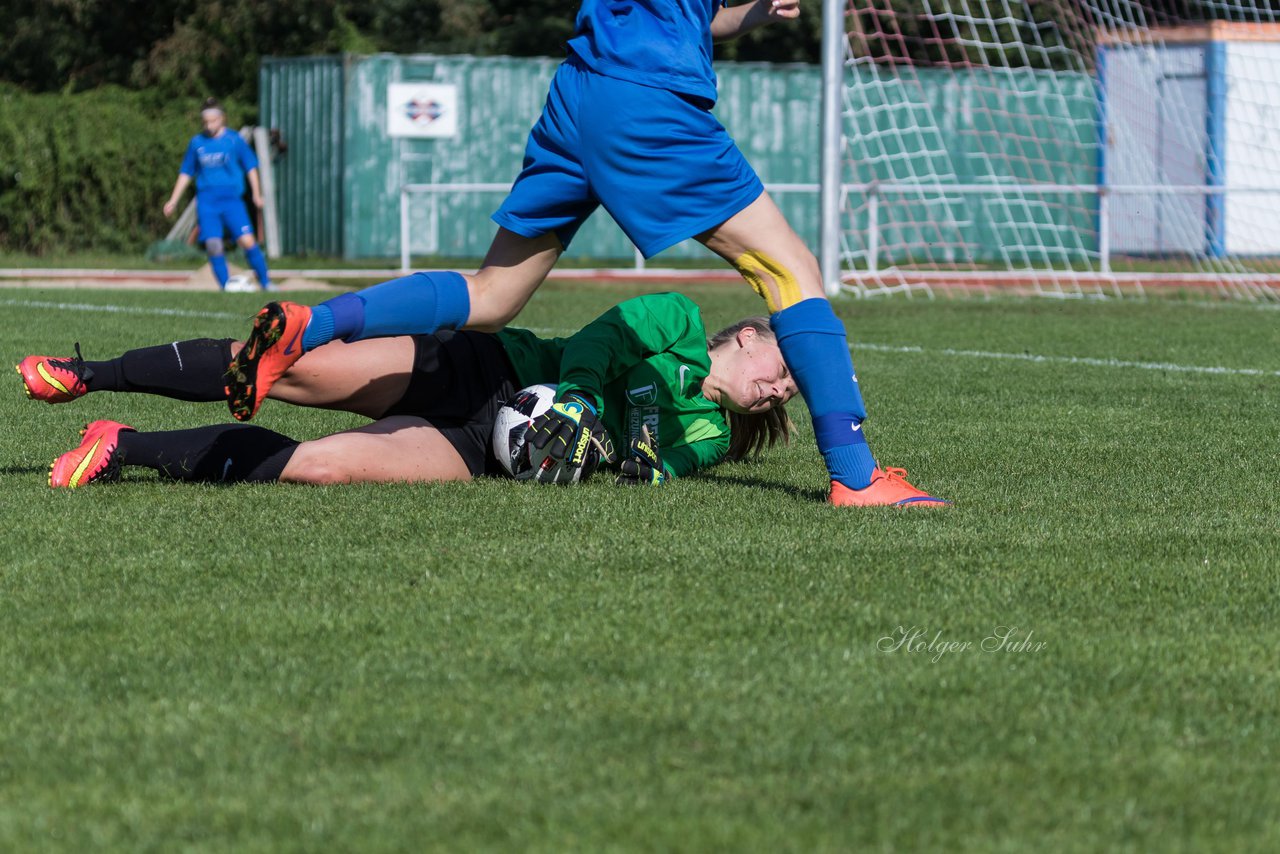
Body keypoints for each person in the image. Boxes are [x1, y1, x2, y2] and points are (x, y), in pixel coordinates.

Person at [223, 0, 947, 507]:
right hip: (647, 95)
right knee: (789, 269)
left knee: (494, 295)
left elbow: (687, 12)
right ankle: (856, 475)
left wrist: (747, 14)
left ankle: (309, 326)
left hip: (579, 90)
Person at [18, 293, 796, 489]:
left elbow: (666, 468)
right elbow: (602, 340)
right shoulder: (683, 322)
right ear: (751, 335)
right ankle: (88, 376)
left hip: (492, 451)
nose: (781, 391)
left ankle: (120, 446)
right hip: (493, 370)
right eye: (784, 371)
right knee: (292, 373)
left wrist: (633, 459)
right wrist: (582, 397)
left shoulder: (716, 434)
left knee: (322, 466)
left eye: (791, 393)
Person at [163, 97, 272, 292]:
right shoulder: (197, 143)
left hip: (232, 200)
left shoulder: (234, 140)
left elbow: (251, 167)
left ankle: (266, 283)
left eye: (213, 120)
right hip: (207, 201)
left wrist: (257, 193)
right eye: (205, 121)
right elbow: (186, 172)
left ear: (222, 118)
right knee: (213, 245)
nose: (209, 125)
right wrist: (173, 200)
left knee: (247, 240)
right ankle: (226, 288)